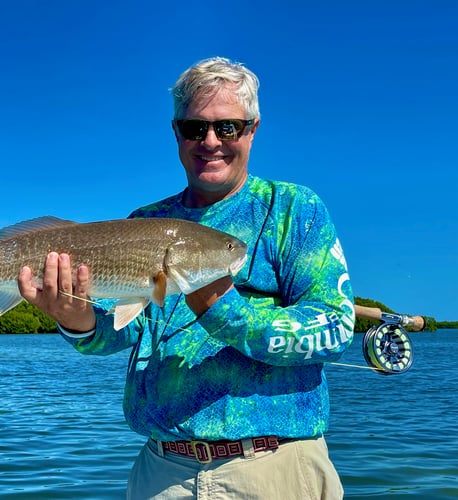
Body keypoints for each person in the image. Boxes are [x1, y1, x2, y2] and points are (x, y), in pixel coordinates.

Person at [18, 56, 354, 499]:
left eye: (228, 127)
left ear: (252, 129)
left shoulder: (295, 210)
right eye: (195, 128)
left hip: (275, 469)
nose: (211, 141)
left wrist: (225, 311)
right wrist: (75, 321)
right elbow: (118, 333)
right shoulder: (145, 220)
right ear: (177, 133)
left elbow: (336, 328)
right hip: (161, 472)